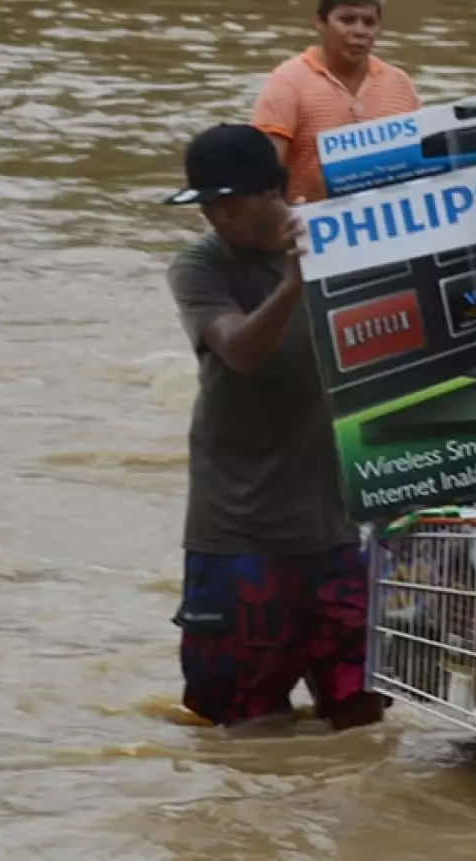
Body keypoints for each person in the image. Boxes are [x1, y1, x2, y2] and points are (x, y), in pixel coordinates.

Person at [160, 122, 386, 728]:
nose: (217, 217)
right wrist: (293, 284)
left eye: (230, 201)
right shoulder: (201, 267)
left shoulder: (344, 246)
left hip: (332, 528)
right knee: (244, 726)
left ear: (274, 192)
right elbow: (240, 350)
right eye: (207, 205)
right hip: (237, 533)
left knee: (362, 717)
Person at [252, 0, 421, 204]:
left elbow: (422, 166)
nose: (359, 32)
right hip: (308, 219)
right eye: (347, 20)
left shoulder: (399, 85)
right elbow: (262, 180)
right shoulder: (287, 83)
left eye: (369, 22)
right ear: (320, 22)